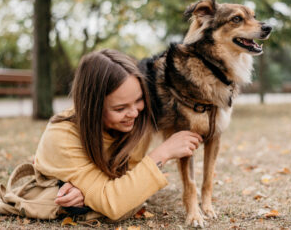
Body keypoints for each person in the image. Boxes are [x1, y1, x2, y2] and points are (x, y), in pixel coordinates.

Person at [34, 49, 202, 221]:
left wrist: (90, 192)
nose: (134, 113)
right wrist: (163, 153)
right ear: (93, 106)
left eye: (138, 100)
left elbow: (130, 183)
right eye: (120, 108)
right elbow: (115, 204)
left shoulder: (131, 124)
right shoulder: (63, 136)